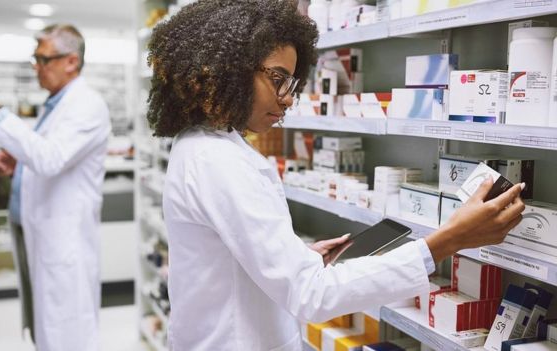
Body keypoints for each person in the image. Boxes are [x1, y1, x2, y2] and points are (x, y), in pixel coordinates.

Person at [146, 1, 526, 350]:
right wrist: (447, 242)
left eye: (292, 83)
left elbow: (232, 259)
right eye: (277, 78)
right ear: (226, 68)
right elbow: (311, 295)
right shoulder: (217, 160)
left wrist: (298, 257)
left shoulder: (206, 145)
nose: (288, 98)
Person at [0, 24, 110, 351]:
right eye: (35, 59)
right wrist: (19, 165)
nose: (37, 67)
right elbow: (48, 156)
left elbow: (51, 158)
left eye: (43, 59)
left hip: (62, 238)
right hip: (34, 230)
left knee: (66, 333)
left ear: (71, 61)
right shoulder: (55, 103)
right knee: (45, 327)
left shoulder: (87, 104)